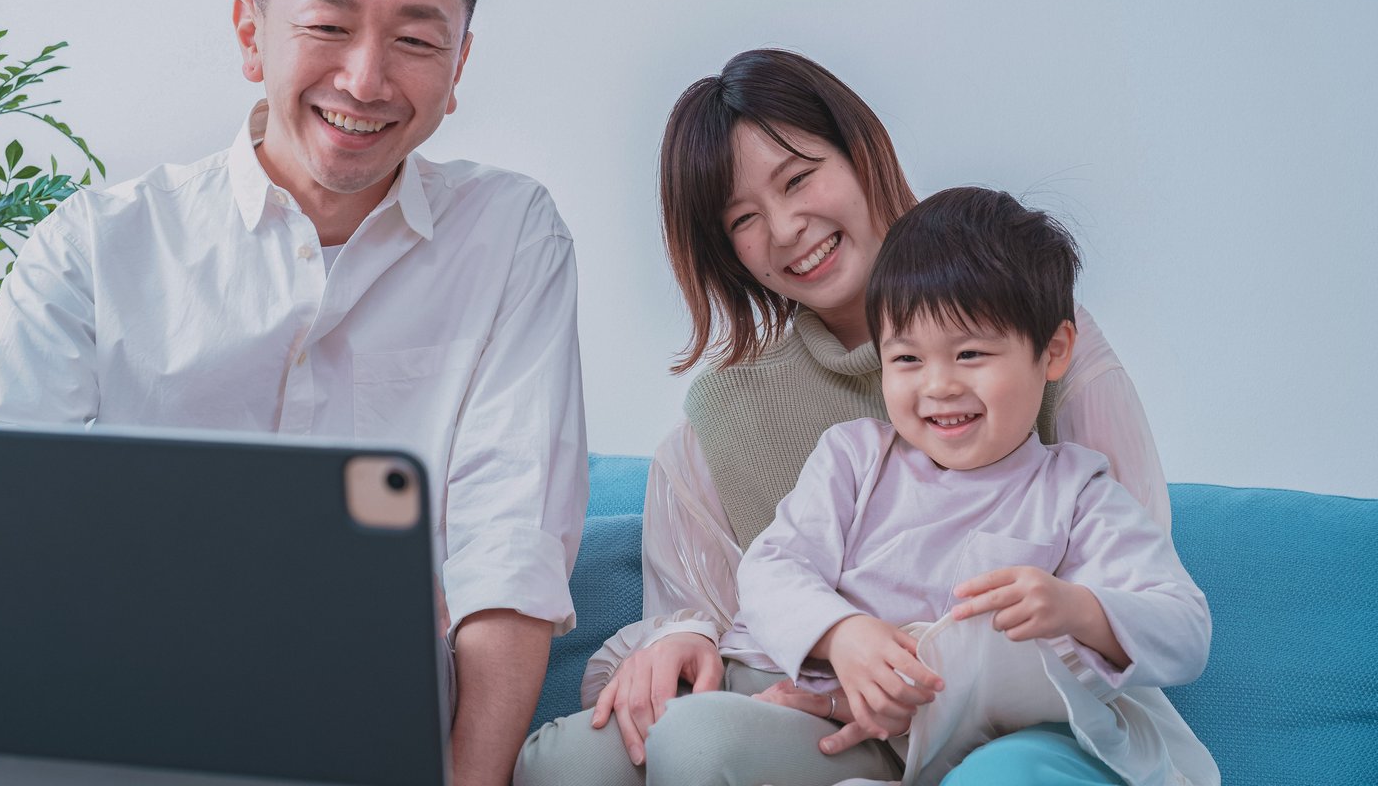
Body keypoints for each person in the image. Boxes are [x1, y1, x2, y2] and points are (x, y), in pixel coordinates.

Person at [0, 0, 586, 786]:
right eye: (328, 26)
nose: (366, 80)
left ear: (457, 65)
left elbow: (509, 551)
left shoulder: (512, 236)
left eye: (414, 40)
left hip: (371, 734)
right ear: (251, 34)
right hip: (107, 715)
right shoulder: (97, 245)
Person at [516, 49, 1170, 786]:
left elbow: (1131, 581)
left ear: (862, 154)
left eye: (799, 178)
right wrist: (684, 638)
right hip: (787, 691)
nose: (789, 227)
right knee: (569, 763)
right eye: (745, 219)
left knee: (706, 748)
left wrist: (900, 671)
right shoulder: (731, 423)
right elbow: (723, 603)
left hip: (988, 713)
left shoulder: (1037, 334)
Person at [723, 186, 1216, 785]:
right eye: (906, 359)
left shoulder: (1077, 491)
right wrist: (841, 633)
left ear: (1054, 350)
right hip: (865, 737)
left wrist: (1078, 608)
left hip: (1009, 746)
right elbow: (770, 568)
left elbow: (1185, 630)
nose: (939, 386)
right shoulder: (855, 458)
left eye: (971, 353)